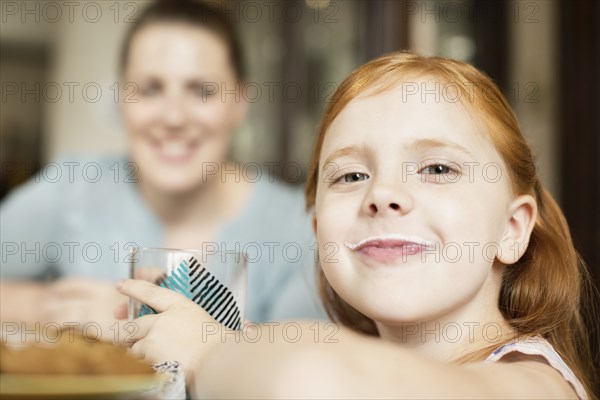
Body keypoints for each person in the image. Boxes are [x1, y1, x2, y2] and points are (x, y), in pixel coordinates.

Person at [115, 52, 597, 398]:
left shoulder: (533, 384)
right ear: (320, 229)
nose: (382, 194)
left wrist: (213, 351)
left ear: (513, 229)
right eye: (351, 175)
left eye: (436, 169)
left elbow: (308, 379)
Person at [0, 0, 325, 329]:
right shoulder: (74, 186)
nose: (173, 117)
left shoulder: (299, 229)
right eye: (150, 89)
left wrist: (150, 326)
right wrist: (48, 307)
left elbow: (310, 364)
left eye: (202, 91)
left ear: (239, 102)